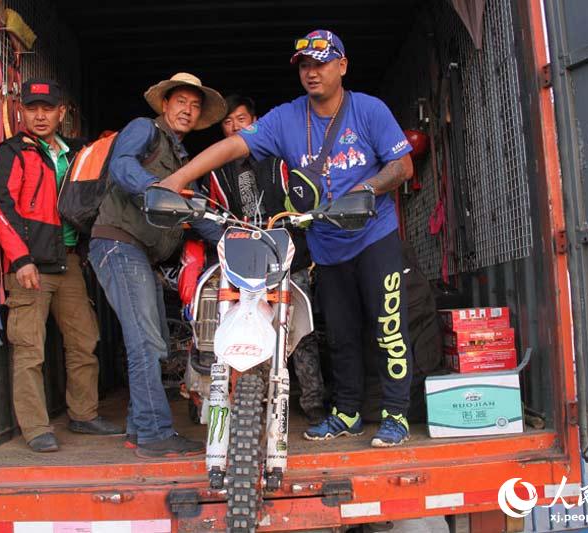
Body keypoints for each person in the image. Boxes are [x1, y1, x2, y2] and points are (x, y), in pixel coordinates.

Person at [158, 31, 415, 447]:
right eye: (305, 66)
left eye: (321, 63)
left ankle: (396, 414)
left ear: (342, 65)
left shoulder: (369, 110)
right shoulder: (286, 118)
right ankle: (347, 413)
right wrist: (177, 179)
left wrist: (365, 190)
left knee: (388, 330)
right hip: (327, 247)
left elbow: (402, 166)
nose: (312, 72)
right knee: (341, 334)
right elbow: (234, 146)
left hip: (374, 238)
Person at [87, 73, 227, 458]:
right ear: (165, 105)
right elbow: (122, 165)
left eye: (195, 106)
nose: (188, 110)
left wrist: (231, 238)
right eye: (181, 101)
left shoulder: (183, 160)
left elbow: (196, 213)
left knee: (156, 340)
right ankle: (154, 433)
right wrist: (158, 189)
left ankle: (139, 429)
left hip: (139, 255)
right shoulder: (143, 129)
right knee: (146, 341)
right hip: (118, 244)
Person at [0, 78, 122, 453]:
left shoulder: (75, 152)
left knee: (85, 340)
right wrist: (20, 260)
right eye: (32, 108)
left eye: (47, 108)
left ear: (61, 112)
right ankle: (35, 429)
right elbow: (2, 206)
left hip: (68, 262)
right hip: (29, 266)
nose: (40, 115)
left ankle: (83, 414)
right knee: (29, 350)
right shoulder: (13, 152)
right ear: (21, 111)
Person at [205, 94, 327, 425]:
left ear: (255, 122)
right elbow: (215, 213)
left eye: (241, 120)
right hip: (243, 261)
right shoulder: (217, 172)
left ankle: (313, 401)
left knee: (299, 330)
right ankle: (253, 400)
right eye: (227, 122)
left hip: (287, 256)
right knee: (245, 326)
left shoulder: (279, 160)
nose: (234, 127)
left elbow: (303, 199)